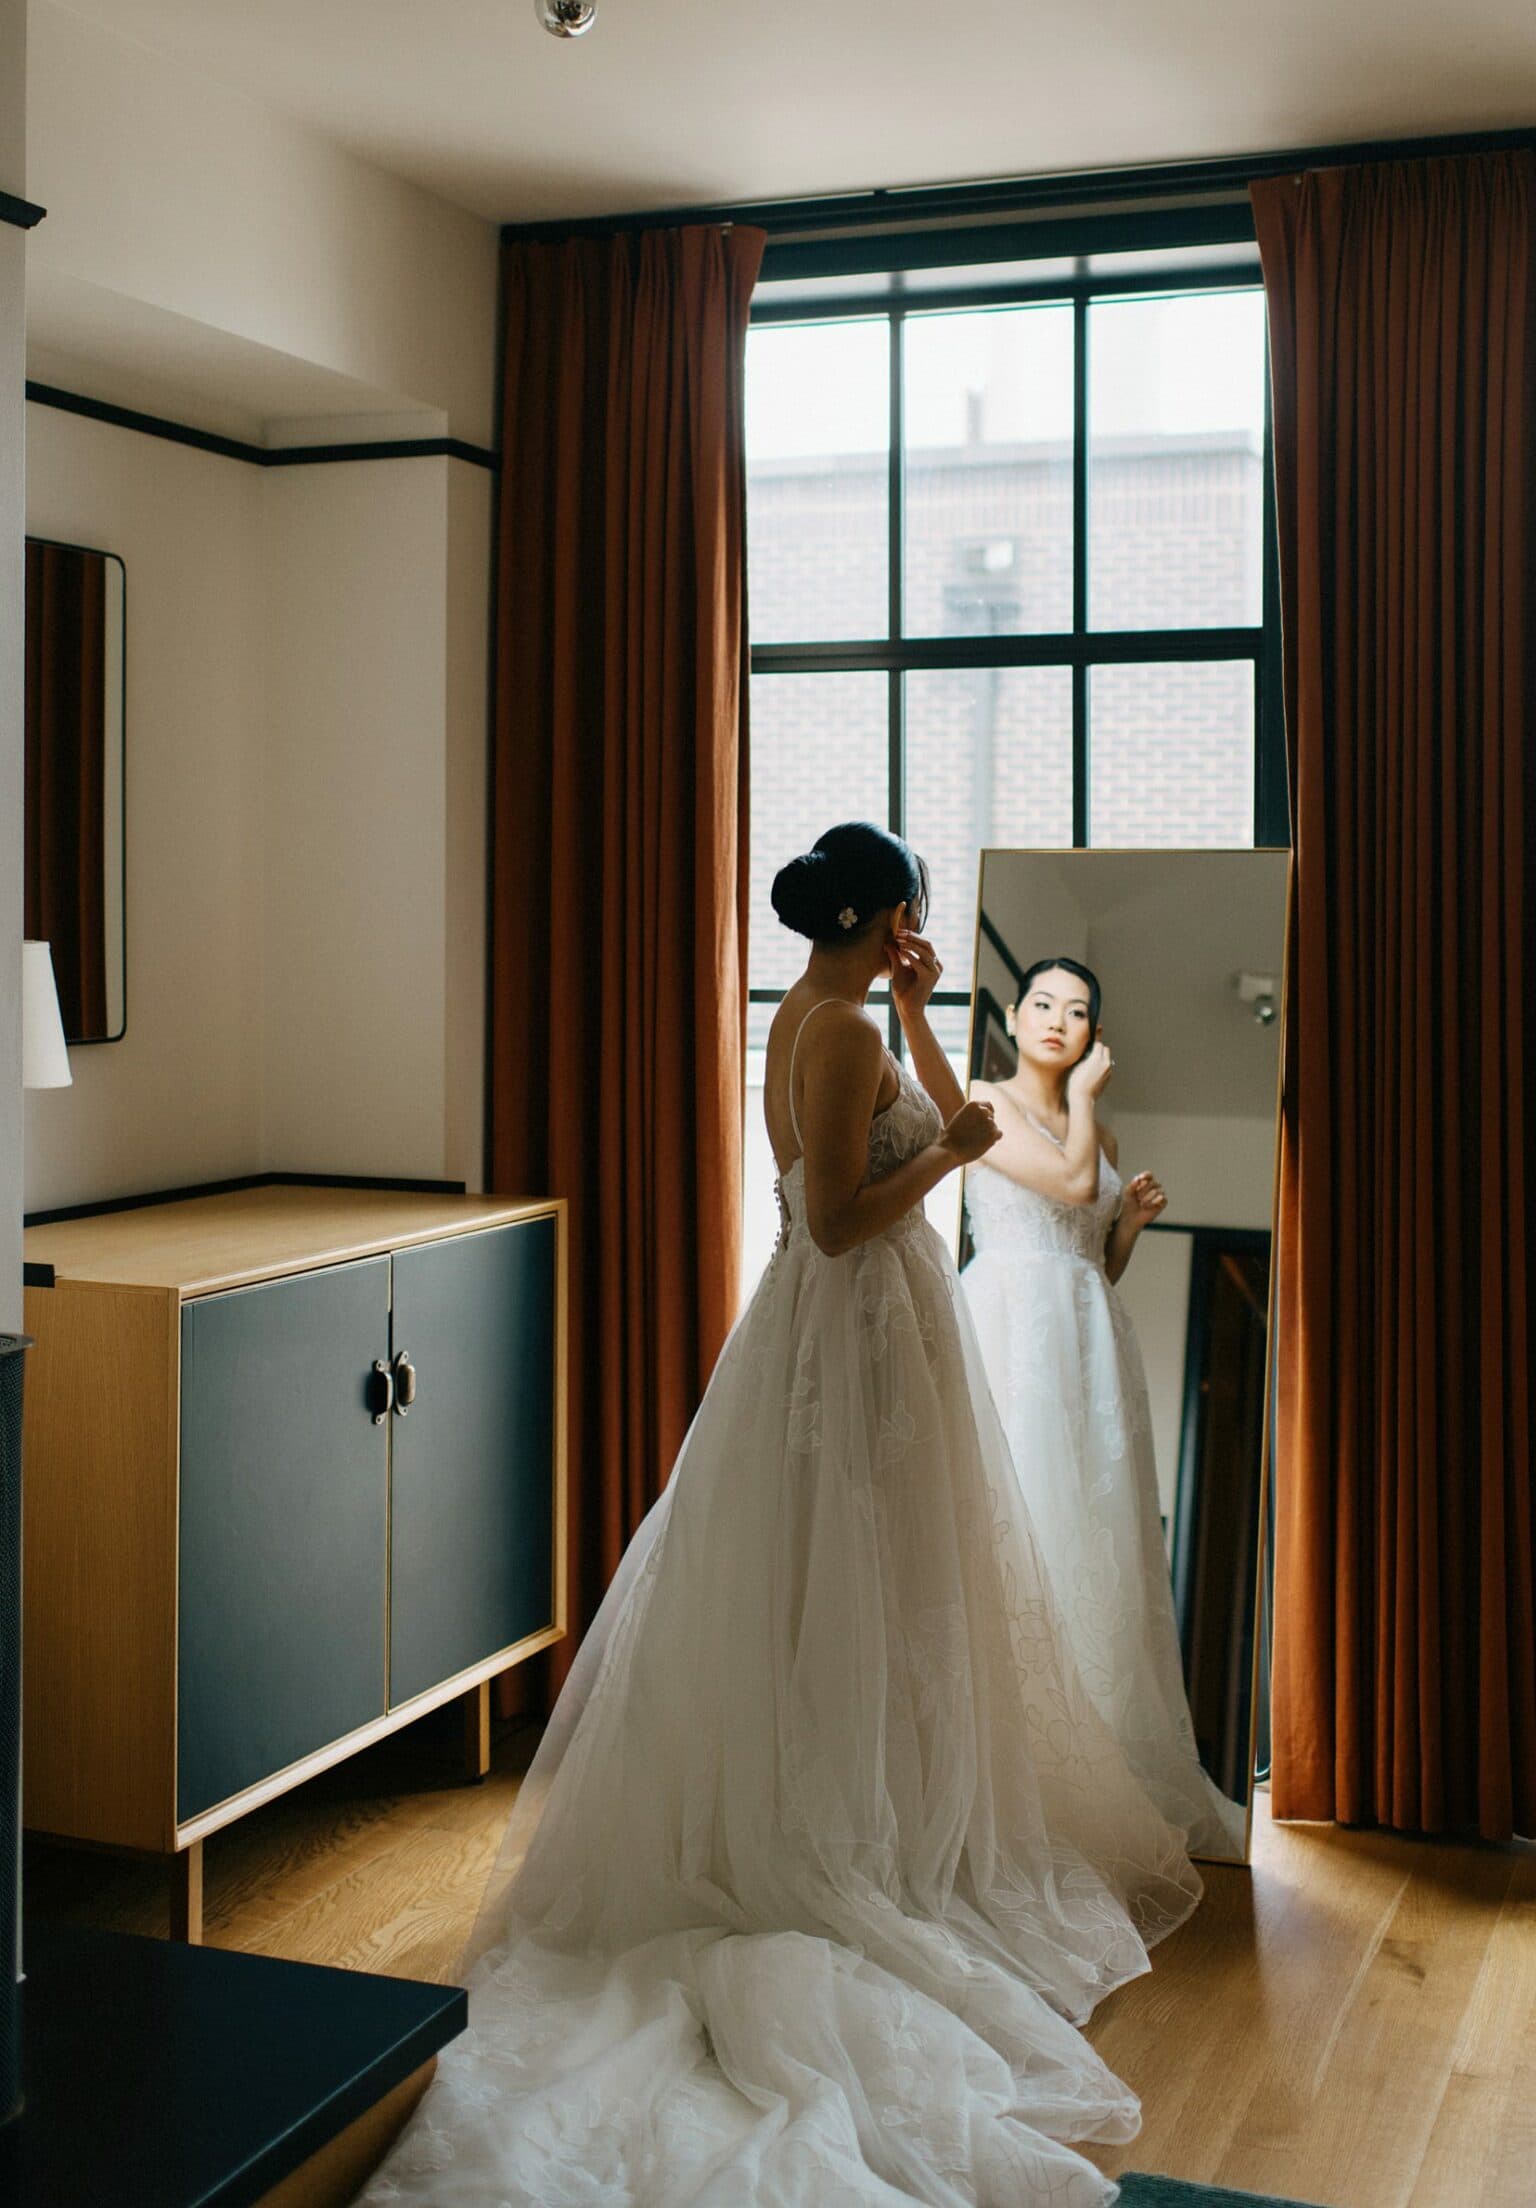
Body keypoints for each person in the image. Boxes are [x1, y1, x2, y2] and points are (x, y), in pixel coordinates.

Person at [359, 825, 1200, 2208]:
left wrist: (930, 1025)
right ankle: (832, 1825)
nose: (920, 929)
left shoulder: (856, 1016)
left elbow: (937, 1112)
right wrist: (948, 1163)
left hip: (882, 1327)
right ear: (878, 915)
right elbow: (831, 1220)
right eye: (913, 916)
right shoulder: (824, 1033)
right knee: (850, 1577)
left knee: (894, 1584)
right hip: (849, 1328)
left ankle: (879, 1794)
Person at [962, 957, 1245, 1860]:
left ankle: (1086, 1758)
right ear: (1014, 1013)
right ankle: (1004, 1766)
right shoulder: (985, 1101)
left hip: (1085, 1334)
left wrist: (1128, 1230)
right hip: (1013, 1329)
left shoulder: (1104, 1137)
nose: (1056, 1020)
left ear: (1094, 1029)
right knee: (1020, 1518)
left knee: (1088, 1534)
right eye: (1042, 1004)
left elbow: (1091, 1250)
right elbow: (1070, 1185)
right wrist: (1084, 1100)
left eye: (1076, 1011)